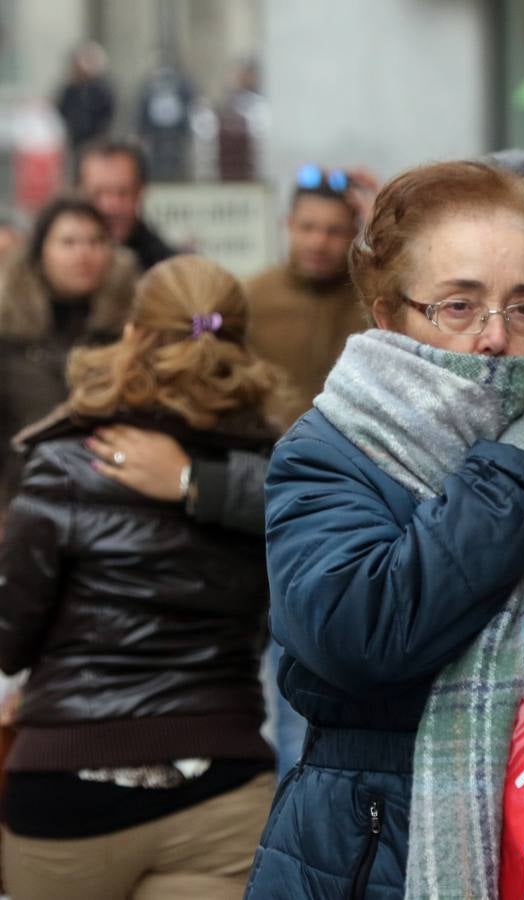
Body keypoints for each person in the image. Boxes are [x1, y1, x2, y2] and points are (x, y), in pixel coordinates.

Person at [244, 161, 524, 898]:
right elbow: (361, 634)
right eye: (459, 306)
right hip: (380, 845)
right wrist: (518, 477)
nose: (495, 338)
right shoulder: (328, 452)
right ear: (389, 315)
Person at [0, 255, 278, 900]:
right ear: (238, 346)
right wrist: (198, 486)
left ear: (131, 335)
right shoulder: (276, 471)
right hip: (222, 783)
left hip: (68, 786)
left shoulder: (66, 462)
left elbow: (8, 641)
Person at [0, 195, 137, 516]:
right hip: (26, 504)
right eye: (69, 242)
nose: (83, 254)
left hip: (118, 508)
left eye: (95, 241)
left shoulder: (134, 331)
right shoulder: (9, 334)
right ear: (40, 252)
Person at [244, 164, 371, 424]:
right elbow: (200, 327)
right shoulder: (250, 296)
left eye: (334, 231)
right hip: (265, 451)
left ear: (355, 233)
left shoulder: (374, 298)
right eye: (307, 227)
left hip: (352, 454)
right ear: (288, 225)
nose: (318, 243)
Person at [77, 138, 177, 272]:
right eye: (98, 194)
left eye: (123, 193)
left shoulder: (165, 270)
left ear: (140, 193)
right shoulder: (48, 267)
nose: (111, 206)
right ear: (77, 193)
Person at [55, 42, 115, 153]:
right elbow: (62, 108)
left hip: (96, 139)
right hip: (76, 139)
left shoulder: (102, 88)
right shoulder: (71, 88)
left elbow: (107, 112)